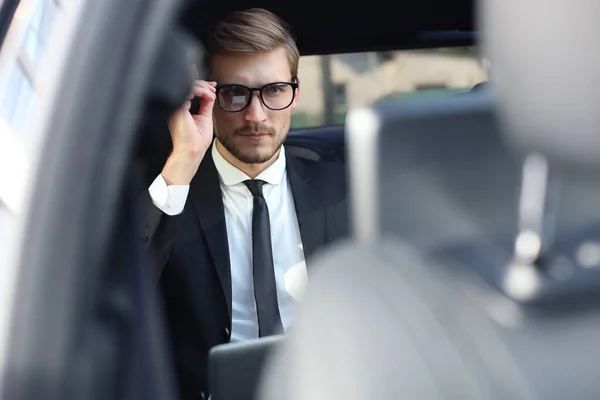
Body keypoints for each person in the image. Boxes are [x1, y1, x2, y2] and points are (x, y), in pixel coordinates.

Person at [143, 8, 348, 400]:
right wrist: (183, 159)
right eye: (235, 93)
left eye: (273, 91)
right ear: (206, 97)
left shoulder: (343, 184)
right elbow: (120, 286)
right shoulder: (172, 188)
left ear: (295, 93)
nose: (256, 117)